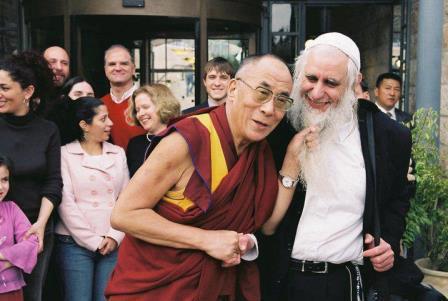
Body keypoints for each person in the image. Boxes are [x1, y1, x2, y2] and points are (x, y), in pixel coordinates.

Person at [105, 54, 310, 300]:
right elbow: (124, 214)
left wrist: (292, 160)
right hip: (158, 288)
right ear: (233, 89)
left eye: (281, 100)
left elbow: (267, 225)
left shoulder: (258, 150)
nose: (269, 109)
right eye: (261, 93)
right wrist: (206, 240)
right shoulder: (188, 140)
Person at [259, 32, 412, 301]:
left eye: (331, 82)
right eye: (310, 78)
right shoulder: (277, 126)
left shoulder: (389, 135)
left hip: (346, 283)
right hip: (279, 279)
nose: (317, 92)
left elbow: (397, 198)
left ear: (354, 83)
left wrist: (387, 241)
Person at [0, 51, 62, 301]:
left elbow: (53, 182)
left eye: (4, 87)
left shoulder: (48, 130)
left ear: (27, 92)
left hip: (34, 231)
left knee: (31, 297)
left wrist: (40, 225)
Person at [54, 97, 129, 301]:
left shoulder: (118, 153)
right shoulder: (65, 154)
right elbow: (66, 203)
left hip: (112, 241)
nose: (110, 124)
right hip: (73, 243)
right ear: (84, 125)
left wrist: (114, 236)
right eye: (103, 119)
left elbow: (126, 197)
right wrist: (93, 241)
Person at [0, 155, 39, 301]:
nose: (0, 187)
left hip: (12, 291)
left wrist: (4, 256)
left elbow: (32, 242)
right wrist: (13, 258)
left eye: (4, 180)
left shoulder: (12, 209)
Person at [126, 84, 181, 176]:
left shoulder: (180, 140)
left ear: (164, 106)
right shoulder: (134, 144)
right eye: (137, 110)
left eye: (145, 107)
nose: (140, 114)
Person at [102, 45, 145, 150]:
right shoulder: (99, 104)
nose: (117, 68)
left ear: (133, 69)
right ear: (105, 70)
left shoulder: (150, 101)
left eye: (124, 64)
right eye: (112, 64)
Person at [47, 76, 95, 145]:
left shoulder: (101, 125)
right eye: (78, 94)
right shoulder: (54, 128)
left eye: (90, 95)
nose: (85, 98)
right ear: (63, 97)